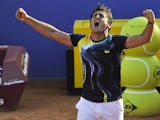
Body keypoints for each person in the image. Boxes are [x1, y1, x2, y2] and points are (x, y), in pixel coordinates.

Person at [15, 4, 155, 120]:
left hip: (111, 104)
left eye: (101, 16)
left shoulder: (117, 42)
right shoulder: (81, 41)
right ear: (91, 24)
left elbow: (144, 39)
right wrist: (27, 19)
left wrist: (150, 22)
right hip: (87, 103)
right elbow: (53, 33)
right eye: (95, 16)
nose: (97, 17)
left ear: (108, 25)